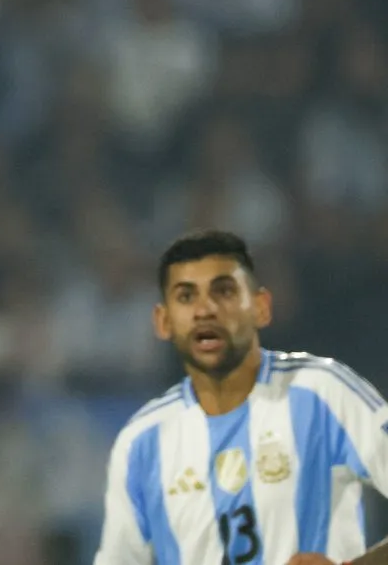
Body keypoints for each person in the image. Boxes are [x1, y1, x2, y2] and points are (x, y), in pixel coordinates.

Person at [94, 230, 388, 565]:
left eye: (224, 291)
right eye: (186, 297)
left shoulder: (322, 393)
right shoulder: (141, 442)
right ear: (164, 322)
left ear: (261, 308)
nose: (205, 310)